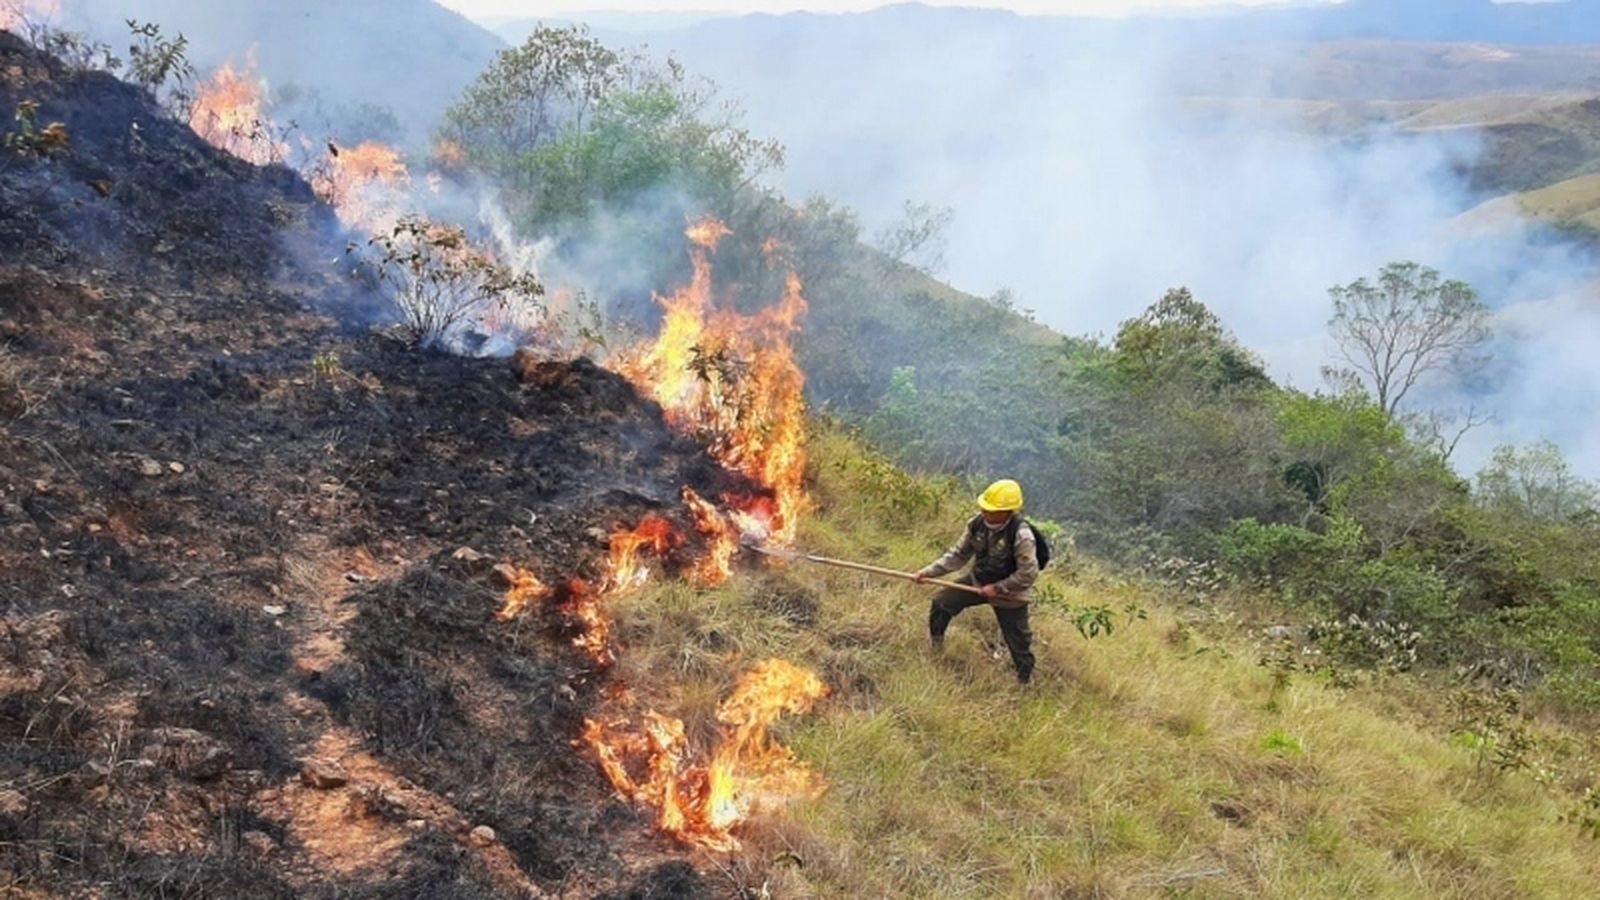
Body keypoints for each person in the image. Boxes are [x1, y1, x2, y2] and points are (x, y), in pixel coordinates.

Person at [913, 479, 1038, 684]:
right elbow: (958, 555)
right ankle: (936, 648)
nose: (984, 511)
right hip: (978, 581)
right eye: (984, 507)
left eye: (990, 509)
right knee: (941, 603)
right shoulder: (976, 524)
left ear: (1007, 511)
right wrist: (928, 572)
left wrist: (999, 588)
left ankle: (1025, 682)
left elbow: (1028, 573)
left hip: (1011, 593)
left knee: (1019, 642)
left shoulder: (1022, 535)